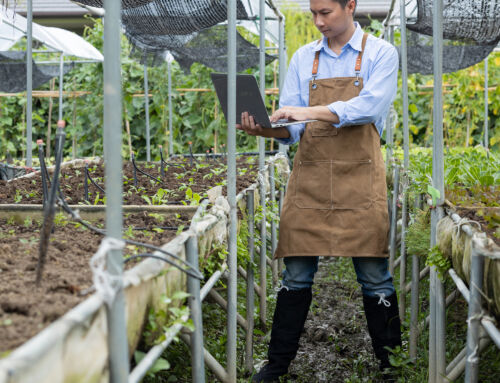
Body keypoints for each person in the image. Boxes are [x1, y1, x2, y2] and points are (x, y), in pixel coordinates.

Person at [236, 0, 401, 381]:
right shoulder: (303, 58)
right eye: (313, 12)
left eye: (325, 12)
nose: (317, 21)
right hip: (309, 178)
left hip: (360, 179)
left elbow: (369, 106)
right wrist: (263, 128)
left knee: (374, 274)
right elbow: (290, 130)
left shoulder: (380, 53)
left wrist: (306, 111)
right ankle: (275, 367)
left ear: (350, 6)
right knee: (294, 273)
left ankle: (391, 366)